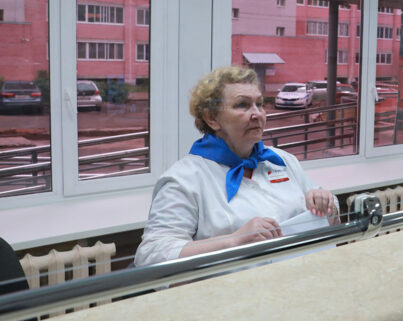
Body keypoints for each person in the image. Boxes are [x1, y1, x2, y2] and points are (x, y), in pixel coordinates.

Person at [134, 66, 339, 266]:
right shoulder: (185, 179)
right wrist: (234, 241)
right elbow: (151, 254)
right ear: (212, 118)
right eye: (243, 105)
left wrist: (325, 205)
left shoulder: (282, 160)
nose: (257, 114)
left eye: (260, 104)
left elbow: (332, 219)